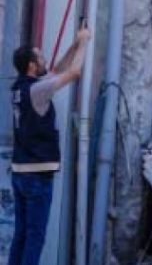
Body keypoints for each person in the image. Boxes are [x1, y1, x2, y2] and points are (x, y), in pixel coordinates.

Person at [9, 25, 91, 265]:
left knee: (22, 235)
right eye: (40, 57)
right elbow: (74, 72)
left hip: (21, 173)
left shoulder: (21, 88)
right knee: (35, 238)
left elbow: (57, 70)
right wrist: (85, 42)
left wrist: (74, 45)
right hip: (36, 176)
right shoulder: (37, 90)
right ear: (32, 66)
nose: (45, 59)